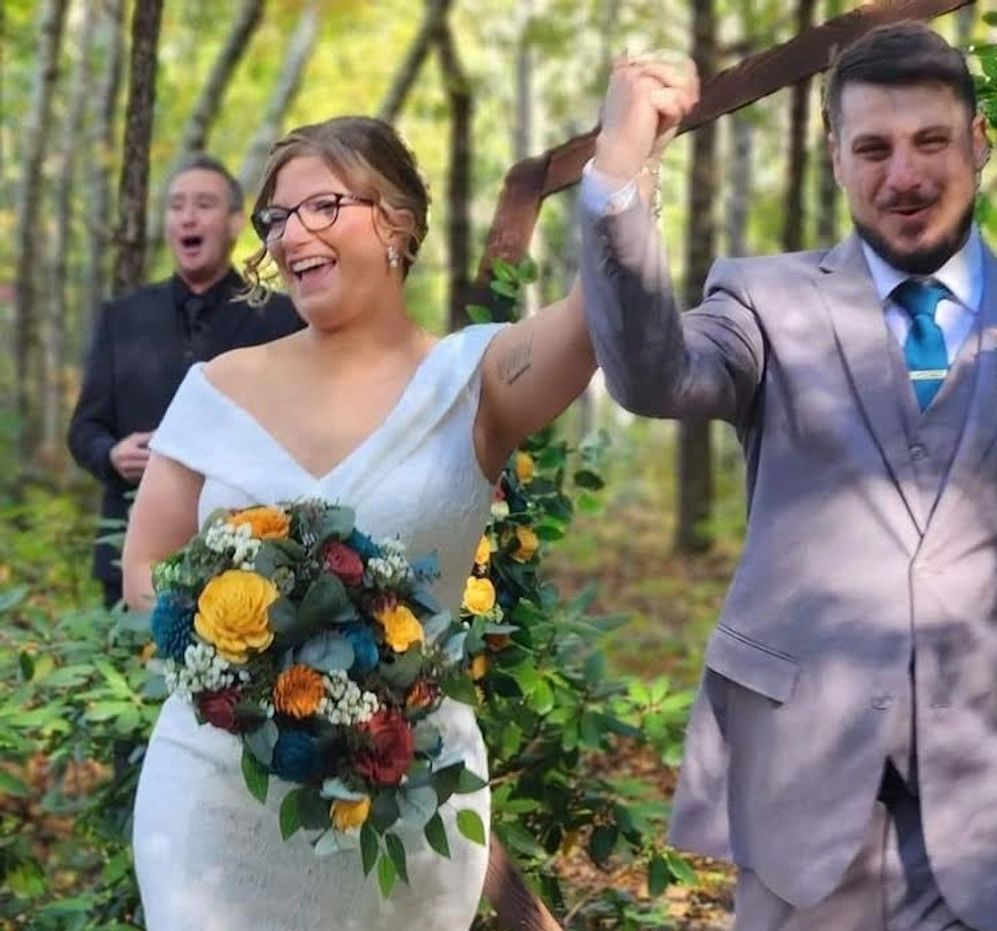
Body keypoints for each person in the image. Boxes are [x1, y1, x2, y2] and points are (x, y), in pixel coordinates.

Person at [578, 24, 997, 931]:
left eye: (930, 141)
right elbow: (651, 374)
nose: (903, 176)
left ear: (979, 141)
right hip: (806, 801)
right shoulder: (763, 302)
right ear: (835, 157)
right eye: (873, 149)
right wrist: (618, 173)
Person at [120, 106, 685, 930]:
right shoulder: (216, 387)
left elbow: (594, 319)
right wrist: (244, 662)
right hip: (213, 805)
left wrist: (628, 165)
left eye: (323, 205)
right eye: (277, 217)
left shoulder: (474, 379)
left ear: (397, 221)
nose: (292, 233)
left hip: (402, 805)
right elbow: (146, 568)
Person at [68, 155, 304, 608]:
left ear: (235, 222)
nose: (188, 217)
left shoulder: (282, 318)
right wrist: (111, 454)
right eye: (176, 206)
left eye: (204, 204)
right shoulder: (122, 317)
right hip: (126, 562)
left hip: (248, 565)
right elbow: (84, 428)